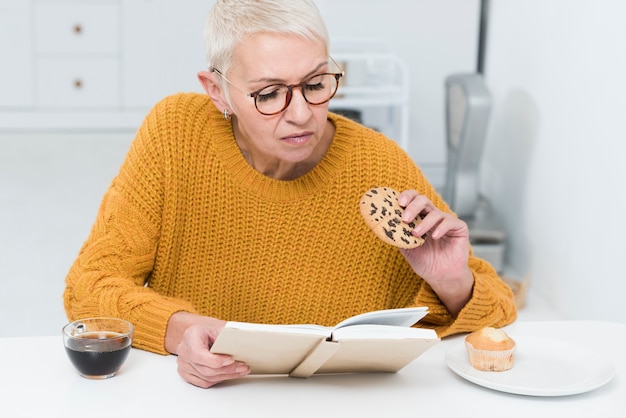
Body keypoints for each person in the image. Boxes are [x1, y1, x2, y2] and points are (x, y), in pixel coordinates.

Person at [64, 0, 517, 388]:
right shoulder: (176, 133)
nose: (301, 114)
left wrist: (450, 280)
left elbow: (498, 306)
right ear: (217, 91)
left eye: (316, 84)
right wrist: (177, 330)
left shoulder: (380, 164)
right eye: (269, 94)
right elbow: (88, 287)